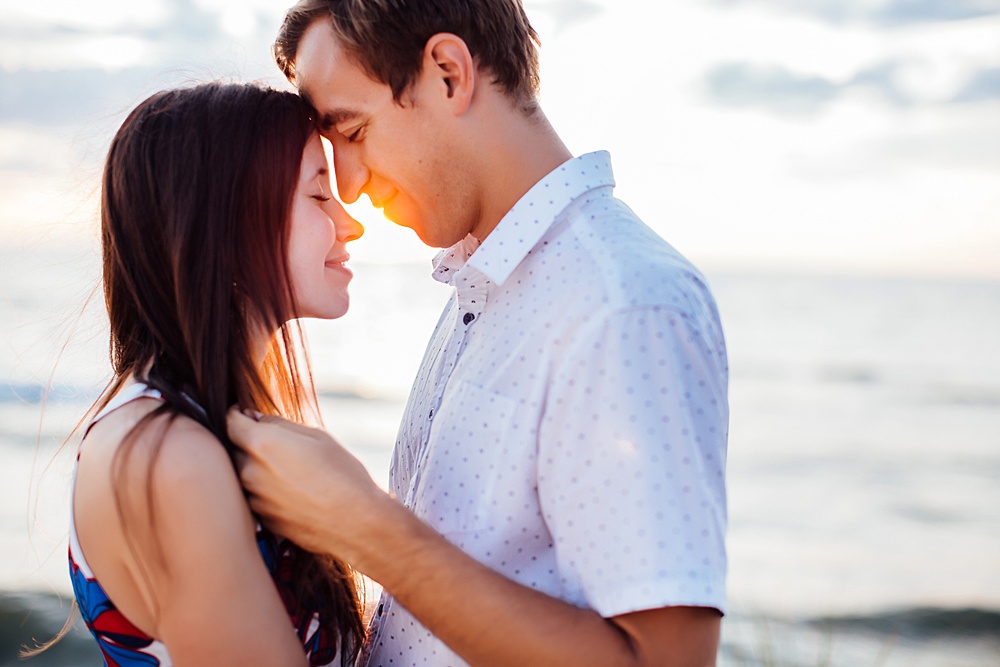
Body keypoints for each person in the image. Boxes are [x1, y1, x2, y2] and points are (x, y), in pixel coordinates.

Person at [228, 1, 730, 665]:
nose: (347, 183)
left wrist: (363, 527)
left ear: (446, 72)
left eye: (353, 131)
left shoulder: (622, 304)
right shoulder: (485, 286)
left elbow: (664, 660)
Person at [68, 81, 366, 666]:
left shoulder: (203, 425)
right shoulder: (168, 457)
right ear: (229, 221)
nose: (351, 225)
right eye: (320, 196)